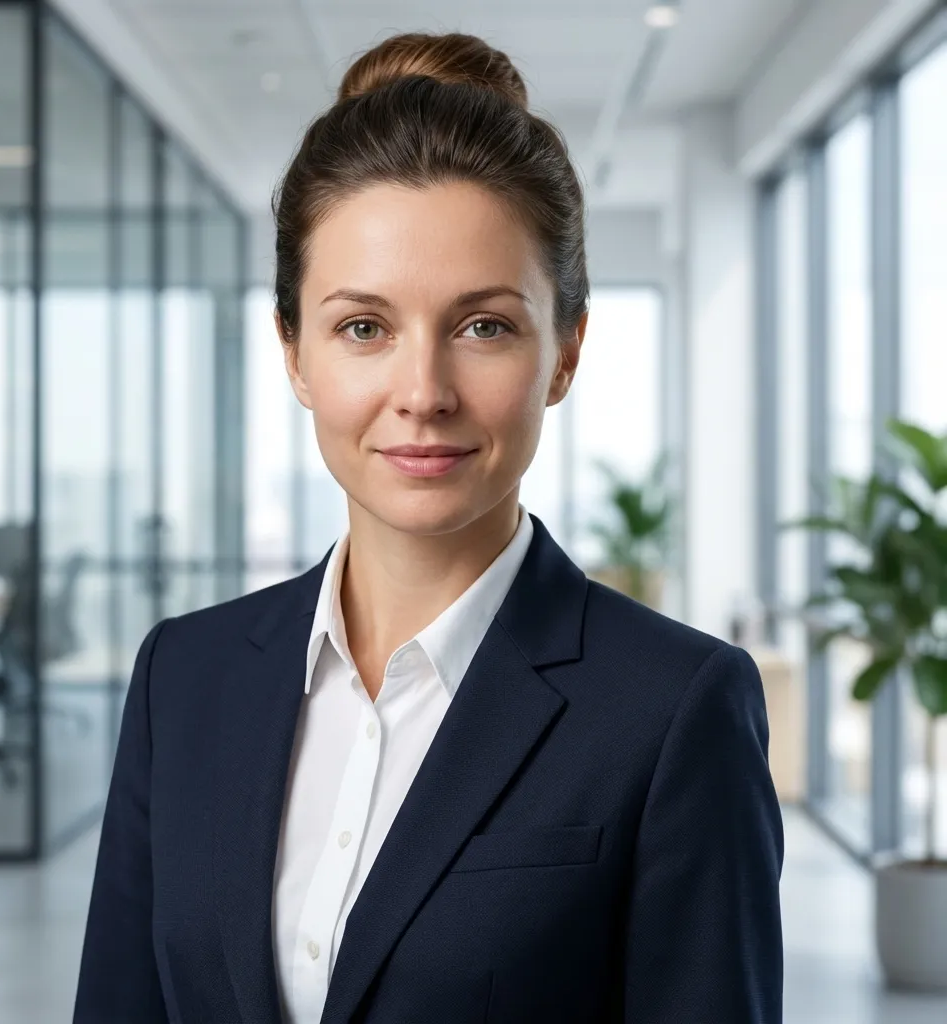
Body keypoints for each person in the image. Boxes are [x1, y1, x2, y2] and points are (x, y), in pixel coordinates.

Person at [74, 31, 783, 1024]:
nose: (422, 393)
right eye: (363, 327)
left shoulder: (672, 711)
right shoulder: (183, 680)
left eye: (483, 325)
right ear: (294, 352)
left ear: (565, 352)